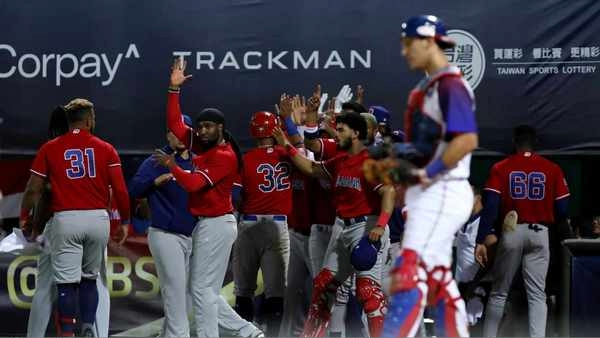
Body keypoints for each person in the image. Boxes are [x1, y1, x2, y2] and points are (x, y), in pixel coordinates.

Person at [381, 14, 478, 337]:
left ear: (427, 41)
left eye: (409, 43)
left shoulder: (451, 84)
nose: (405, 51)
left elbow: (466, 140)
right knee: (437, 276)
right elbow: (430, 145)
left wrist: (426, 172)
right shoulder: (430, 87)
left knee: (408, 272)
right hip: (432, 190)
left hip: (443, 188)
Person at [153, 57, 263, 338]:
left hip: (217, 224)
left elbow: (191, 185)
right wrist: (174, 90)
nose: (201, 131)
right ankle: (248, 333)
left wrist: (172, 166)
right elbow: (176, 125)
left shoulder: (223, 156)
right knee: (203, 291)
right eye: (200, 126)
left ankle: (235, 333)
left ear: (221, 128)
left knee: (201, 290)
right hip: (207, 223)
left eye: (208, 126)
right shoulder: (205, 144)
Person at [273, 111, 395, 338]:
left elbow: (389, 191)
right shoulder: (340, 161)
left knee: (368, 292)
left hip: (367, 228)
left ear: (356, 133)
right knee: (323, 285)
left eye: (341, 130)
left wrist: (380, 225)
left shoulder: (370, 161)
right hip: (345, 228)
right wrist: (288, 147)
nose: (335, 134)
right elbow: (311, 168)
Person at [20, 98, 131, 337]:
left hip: (60, 222)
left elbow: (37, 191)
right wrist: (124, 221)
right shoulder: (104, 148)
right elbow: (119, 191)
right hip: (97, 218)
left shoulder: (51, 148)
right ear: (89, 120)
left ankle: (51, 334)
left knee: (56, 285)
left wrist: (28, 221)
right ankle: (93, 331)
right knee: (96, 281)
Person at [476, 125, 570, 337]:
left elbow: (490, 206)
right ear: (535, 142)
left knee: (499, 293)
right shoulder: (552, 168)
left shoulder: (502, 167)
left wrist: (482, 238)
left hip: (512, 229)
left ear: (514, 142)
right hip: (540, 231)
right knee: (537, 295)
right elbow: (563, 208)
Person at [128, 116, 197, 337]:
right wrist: (154, 183)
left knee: (186, 294)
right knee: (175, 291)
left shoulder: (198, 161)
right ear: (168, 134)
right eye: (175, 132)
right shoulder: (157, 160)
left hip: (194, 235)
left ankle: (170, 334)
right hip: (166, 234)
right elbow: (134, 190)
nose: (180, 136)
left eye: (184, 131)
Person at [233, 111, 292, 336]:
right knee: (276, 291)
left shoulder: (245, 159)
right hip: (278, 226)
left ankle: (246, 334)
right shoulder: (289, 154)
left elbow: (236, 197)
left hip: (249, 225)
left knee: (243, 290)